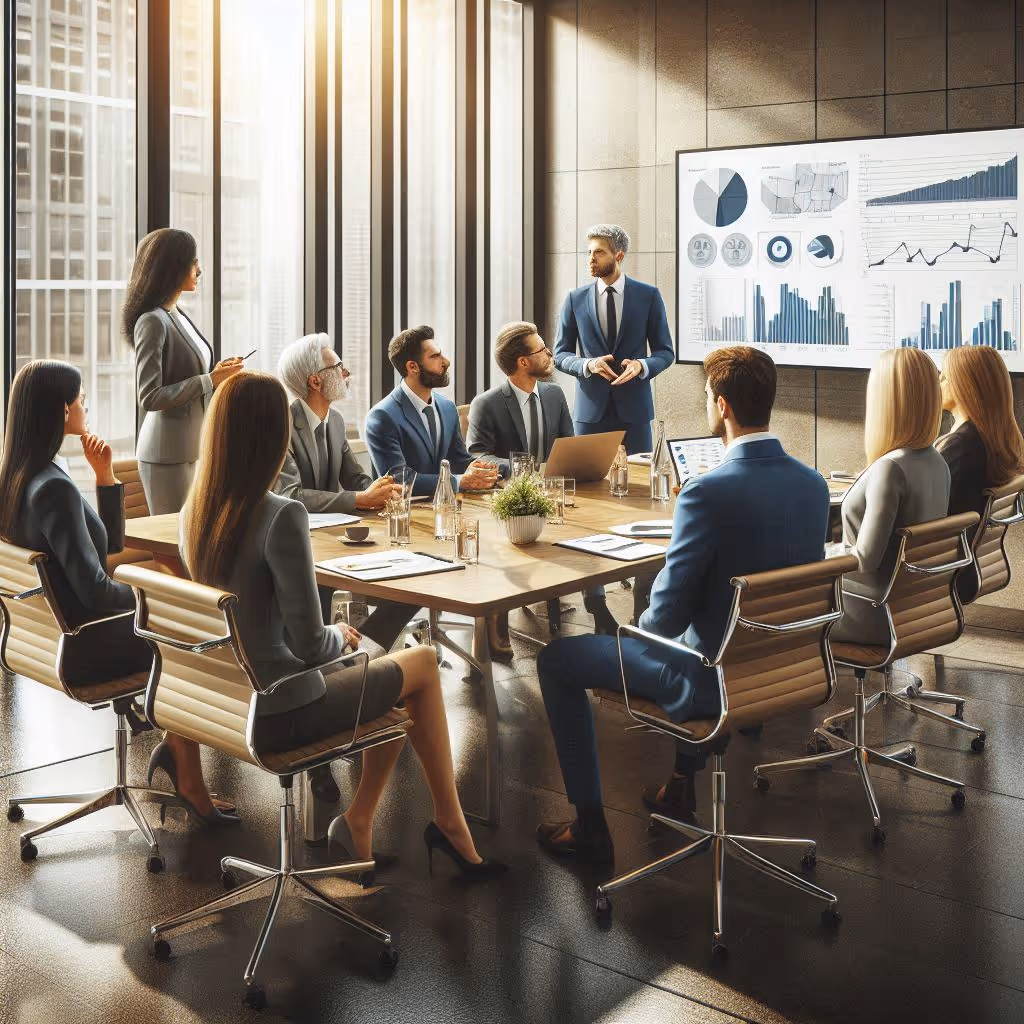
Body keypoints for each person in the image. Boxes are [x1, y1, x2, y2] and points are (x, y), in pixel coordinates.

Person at [181, 371, 505, 877]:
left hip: (222, 702)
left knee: (388, 673)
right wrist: (342, 636)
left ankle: (364, 823)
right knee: (418, 664)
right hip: (280, 707)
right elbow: (312, 646)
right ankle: (440, 823)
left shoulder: (196, 509)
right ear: (273, 436)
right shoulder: (280, 514)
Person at [534, 347, 830, 862]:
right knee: (701, 638)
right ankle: (678, 786)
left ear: (721, 405)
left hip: (710, 680)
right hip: (783, 667)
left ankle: (588, 826)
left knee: (558, 659)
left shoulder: (705, 493)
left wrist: (634, 630)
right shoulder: (813, 485)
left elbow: (663, 619)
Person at [0, 360, 236, 827]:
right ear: (61, 409)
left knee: (175, 610)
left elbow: (105, 548)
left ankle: (176, 751)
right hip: (86, 642)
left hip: (49, 638)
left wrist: (106, 478)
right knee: (191, 637)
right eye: (80, 396)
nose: (85, 402)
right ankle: (187, 773)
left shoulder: (21, 476)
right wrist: (158, 603)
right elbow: (96, 593)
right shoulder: (52, 489)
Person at [467, 320, 619, 637]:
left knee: (588, 531)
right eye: (541, 349)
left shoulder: (554, 395)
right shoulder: (487, 403)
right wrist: (526, 470)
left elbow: (568, 444)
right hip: (512, 503)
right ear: (523, 362)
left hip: (554, 495)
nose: (550, 353)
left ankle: (598, 606)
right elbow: (478, 456)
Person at [274, 333, 421, 652]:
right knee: (395, 591)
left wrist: (381, 490)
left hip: (332, 539)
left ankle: (363, 657)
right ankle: (357, 660)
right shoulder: (281, 423)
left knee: (405, 586)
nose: (347, 373)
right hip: (295, 542)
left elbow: (355, 477)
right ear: (315, 381)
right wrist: (359, 499)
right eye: (338, 366)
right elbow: (291, 496)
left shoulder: (336, 420)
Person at [831, 347, 949, 646]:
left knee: (771, 616)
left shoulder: (890, 468)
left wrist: (816, 556)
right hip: (914, 610)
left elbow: (864, 560)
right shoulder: (937, 461)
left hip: (868, 613)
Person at [122, 228, 244, 514]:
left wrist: (216, 374)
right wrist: (208, 380)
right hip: (167, 456)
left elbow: (187, 377)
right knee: (174, 541)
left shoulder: (177, 314)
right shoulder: (152, 321)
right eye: (194, 261)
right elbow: (150, 396)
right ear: (173, 266)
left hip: (194, 449)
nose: (199, 269)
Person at [553, 224, 674, 454]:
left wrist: (642, 365)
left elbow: (666, 353)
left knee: (639, 485)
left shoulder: (648, 296)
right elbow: (559, 354)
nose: (591, 259)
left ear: (619, 255)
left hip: (635, 413)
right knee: (588, 484)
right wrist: (587, 364)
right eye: (589, 252)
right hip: (590, 414)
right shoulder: (574, 299)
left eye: (598, 252)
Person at [364, 325, 499, 496]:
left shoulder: (447, 408)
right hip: (404, 515)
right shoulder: (382, 417)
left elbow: (459, 461)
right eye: (435, 356)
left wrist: (491, 469)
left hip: (448, 509)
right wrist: (459, 481)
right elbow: (399, 479)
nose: (446, 362)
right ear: (413, 367)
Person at [936, 345, 1024, 601]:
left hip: (937, 575)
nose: (939, 382)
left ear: (965, 386)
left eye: (944, 377)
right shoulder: (989, 443)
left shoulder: (959, 448)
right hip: (967, 569)